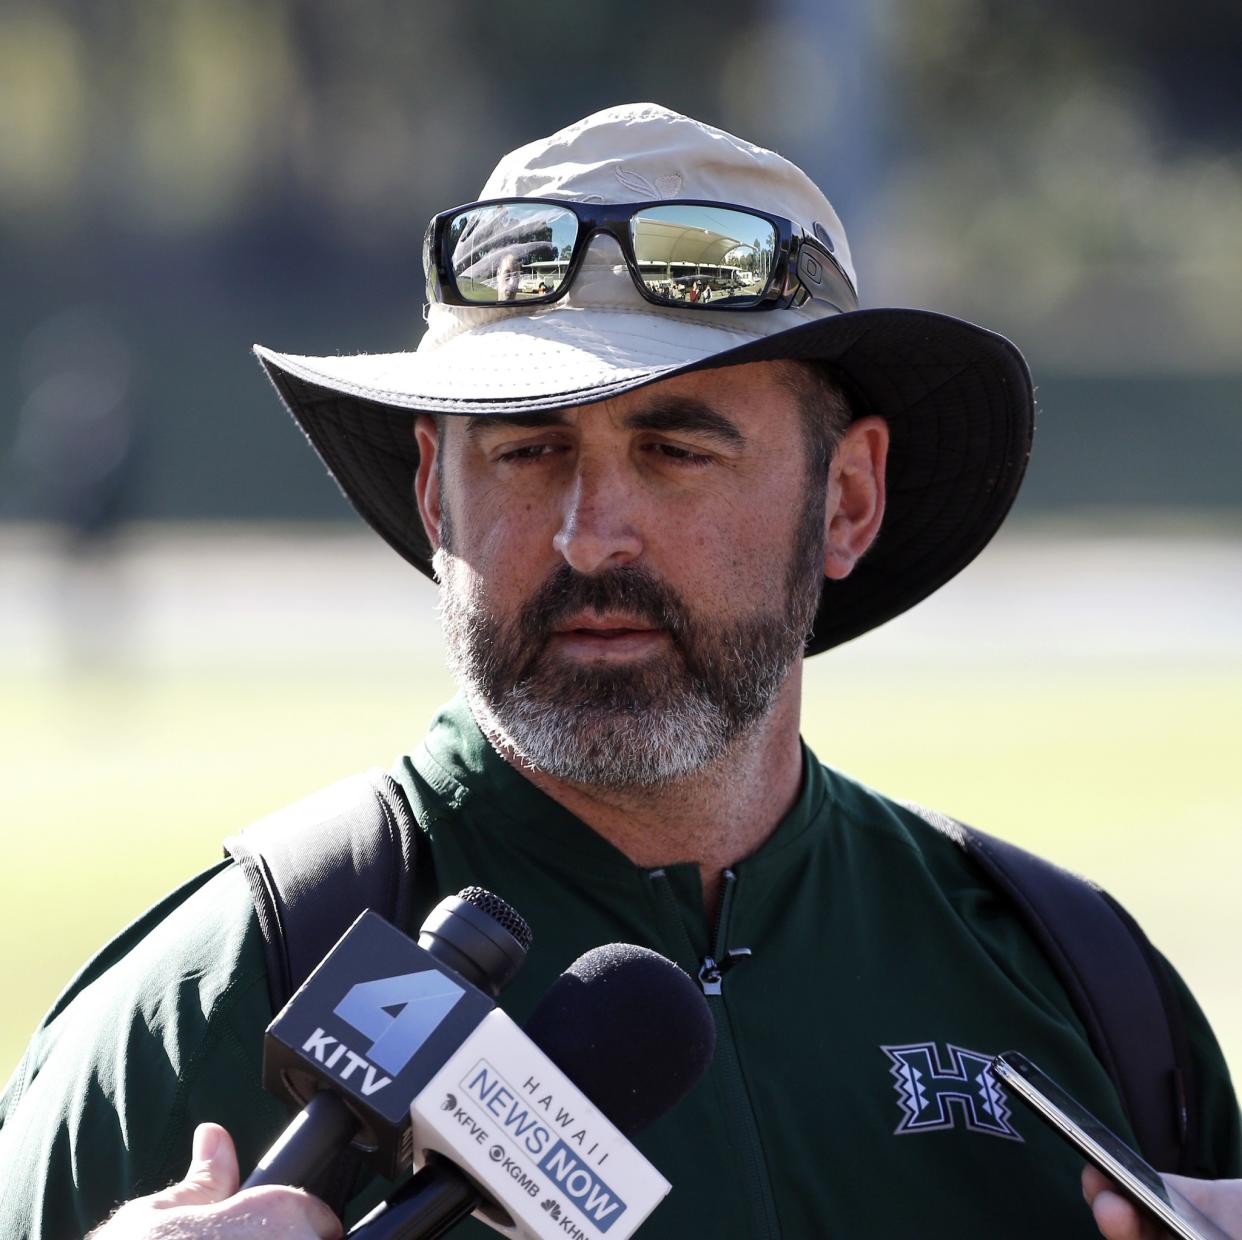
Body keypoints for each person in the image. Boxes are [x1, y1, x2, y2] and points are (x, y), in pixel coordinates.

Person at [2, 102, 1238, 1239]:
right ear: (437, 489)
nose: (590, 534)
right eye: (529, 451)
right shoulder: (214, 999)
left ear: (847, 497)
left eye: (676, 449)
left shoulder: (1080, 991)